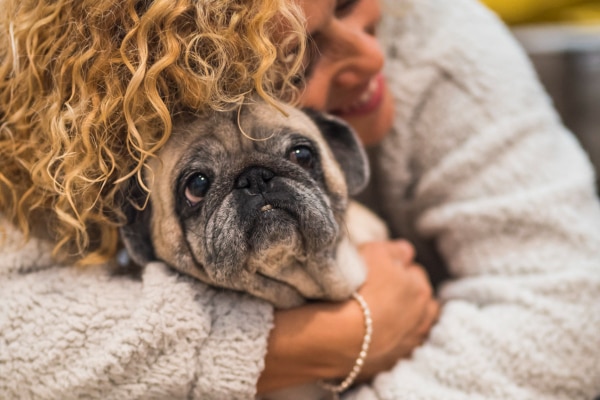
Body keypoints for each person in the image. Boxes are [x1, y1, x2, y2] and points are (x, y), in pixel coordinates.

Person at [1, 1, 599, 400]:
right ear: (184, 89)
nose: (371, 56)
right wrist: (313, 343)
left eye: (346, 1)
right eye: (300, 53)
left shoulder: (435, 31)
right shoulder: (48, 138)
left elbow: (572, 308)